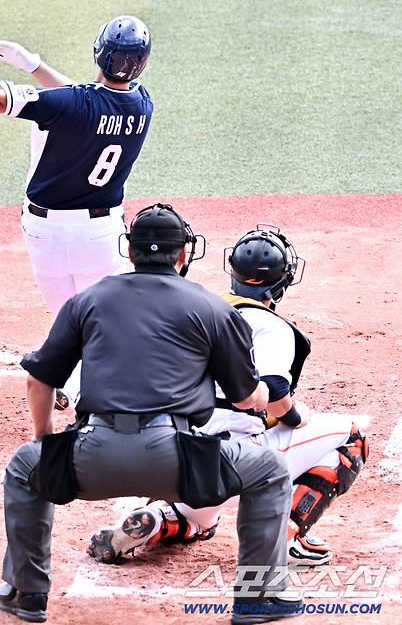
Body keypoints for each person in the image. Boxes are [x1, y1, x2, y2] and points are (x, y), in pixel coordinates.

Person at [0, 205, 301, 625]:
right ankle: (258, 599)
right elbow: (248, 397)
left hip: (90, 459)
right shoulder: (212, 308)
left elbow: (39, 380)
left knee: (23, 469)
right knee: (269, 471)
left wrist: (45, 439)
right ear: (183, 255)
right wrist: (271, 391)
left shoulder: (88, 299)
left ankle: (26, 593)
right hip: (179, 467)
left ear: (131, 251)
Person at [0, 16, 153, 407]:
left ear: (98, 54)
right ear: (142, 63)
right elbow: (85, 100)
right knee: (111, 324)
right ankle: (96, 399)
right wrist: (33, 67)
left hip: (44, 234)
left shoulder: (73, 104)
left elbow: (0, 100)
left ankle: (69, 381)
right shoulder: (142, 105)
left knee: (66, 317)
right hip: (102, 237)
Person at [87, 224, 368, 573]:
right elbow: (275, 393)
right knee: (352, 435)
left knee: (203, 520)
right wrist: (296, 417)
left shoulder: (196, 309)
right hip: (234, 463)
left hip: (164, 457)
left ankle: (160, 519)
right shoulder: (271, 327)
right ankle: (287, 536)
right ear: (283, 281)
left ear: (231, 269)